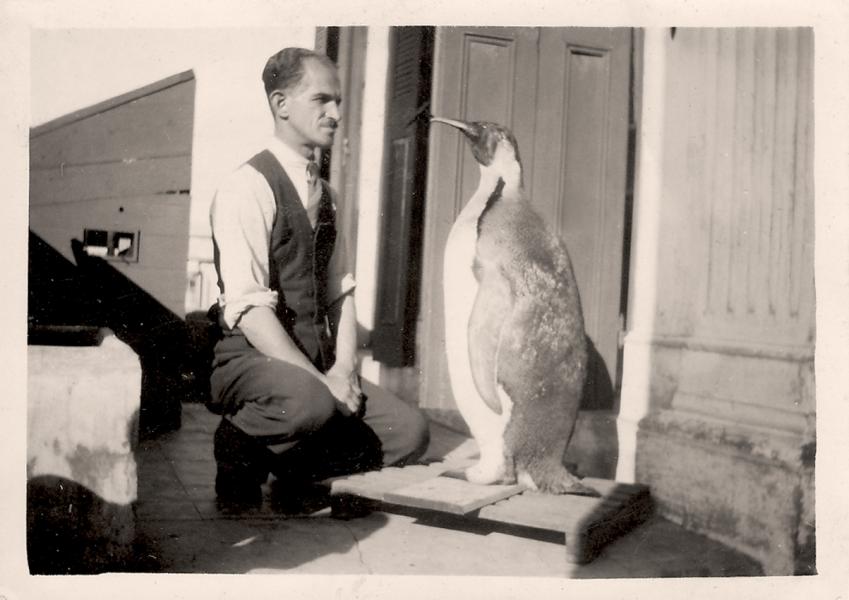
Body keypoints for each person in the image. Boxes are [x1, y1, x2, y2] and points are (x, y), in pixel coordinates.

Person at [208, 47, 429, 508]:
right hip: (249, 361)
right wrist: (323, 384)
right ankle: (238, 444)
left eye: (340, 102)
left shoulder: (326, 195)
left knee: (410, 432)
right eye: (322, 100)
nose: (336, 113)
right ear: (281, 104)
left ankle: (299, 471)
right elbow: (248, 311)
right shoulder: (244, 188)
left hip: (316, 368)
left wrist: (345, 370)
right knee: (312, 403)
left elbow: (340, 292)